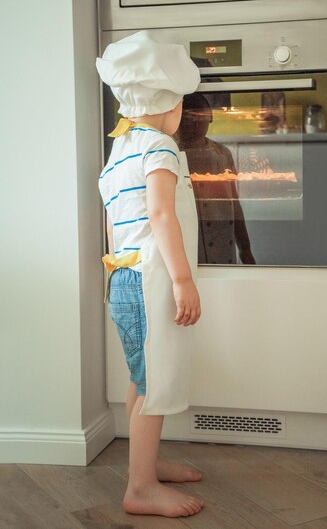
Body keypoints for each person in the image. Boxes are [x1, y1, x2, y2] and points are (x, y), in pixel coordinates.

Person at [96, 31, 204, 517]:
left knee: (142, 379)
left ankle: (148, 462)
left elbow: (121, 221)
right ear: (171, 106)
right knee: (150, 381)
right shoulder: (159, 146)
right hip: (149, 280)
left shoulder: (120, 150)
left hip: (124, 278)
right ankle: (139, 488)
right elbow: (162, 216)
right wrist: (183, 280)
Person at [178, 93, 256, 265]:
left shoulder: (222, 154)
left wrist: (245, 248)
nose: (192, 124)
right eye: (186, 118)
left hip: (223, 251)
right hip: (189, 253)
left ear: (210, 118)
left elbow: (234, 205)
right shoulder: (169, 153)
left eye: (198, 118)